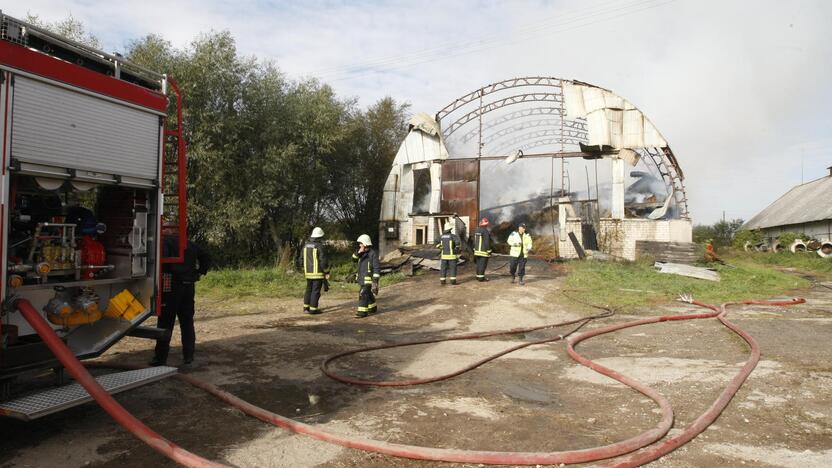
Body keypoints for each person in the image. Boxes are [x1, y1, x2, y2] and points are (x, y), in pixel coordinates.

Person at [150, 222, 211, 366]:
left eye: (165, 228)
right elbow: (206, 256)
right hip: (188, 286)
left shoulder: (164, 243)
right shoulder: (190, 244)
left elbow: (159, 261)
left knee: (165, 322)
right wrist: (199, 272)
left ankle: (160, 358)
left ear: (169, 230)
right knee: (187, 321)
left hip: (169, 285)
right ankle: (188, 355)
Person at [302, 227, 330, 314]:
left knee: (308, 289)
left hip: (308, 273)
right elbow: (323, 260)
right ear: (319, 237)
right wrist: (326, 271)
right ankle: (313, 309)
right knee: (315, 291)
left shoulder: (305, 245)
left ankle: (306, 307)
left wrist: (304, 268)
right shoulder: (319, 246)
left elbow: (301, 259)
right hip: (317, 273)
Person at [352, 234, 380, 318]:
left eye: (361, 243)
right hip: (361, 278)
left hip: (368, 279)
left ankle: (362, 312)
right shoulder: (360, 252)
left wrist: (375, 281)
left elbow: (376, 267)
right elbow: (353, 259)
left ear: (365, 243)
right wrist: (359, 252)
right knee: (368, 293)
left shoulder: (372, 254)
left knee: (363, 294)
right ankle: (373, 307)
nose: (359, 245)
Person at [472, 217, 494, 282]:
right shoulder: (485, 231)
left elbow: (473, 241)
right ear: (486, 224)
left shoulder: (476, 230)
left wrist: (474, 249)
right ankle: (481, 278)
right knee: (482, 265)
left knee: (478, 264)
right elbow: (487, 242)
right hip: (483, 252)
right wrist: (489, 251)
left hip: (476, 251)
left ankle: (478, 276)